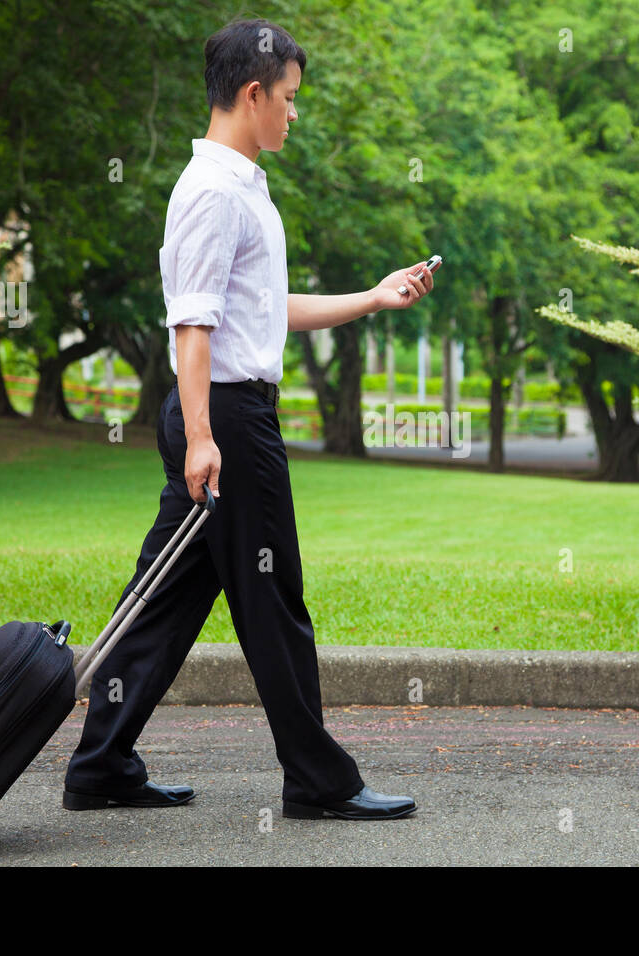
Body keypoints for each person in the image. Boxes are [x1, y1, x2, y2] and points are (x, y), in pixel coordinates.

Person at [61, 17, 436, 820]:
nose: (296, 113)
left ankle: (99, 763)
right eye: (290, 99)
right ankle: (320, 781)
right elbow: (191, 326)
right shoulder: (209, 193)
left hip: (219, 416)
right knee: (275, 603)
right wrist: (202, 435)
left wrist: (373, 295)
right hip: (226, 422)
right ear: (252, 93)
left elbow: (261, 313)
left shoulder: (241, 187)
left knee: (164, 603)